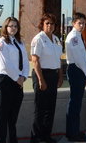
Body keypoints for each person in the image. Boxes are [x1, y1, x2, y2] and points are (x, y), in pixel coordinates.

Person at [0, 17, 30, 143]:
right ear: (5, 27)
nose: (13, 28)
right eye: (10, 26)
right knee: (2, 115)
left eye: (15, 26)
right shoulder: (1, 43)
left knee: (13, 116)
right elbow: (5, 64)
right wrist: (17, 78)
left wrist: (24, 76)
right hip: (4, 80)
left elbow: (25, 60)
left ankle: (12, 140)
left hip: (18, 80)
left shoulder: (19, 43)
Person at [30, 13, 63, 143]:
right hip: (42, 74)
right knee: (40, 109)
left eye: (52, 23)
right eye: (47, 23)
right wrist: (41, 80)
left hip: (53, 75)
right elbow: (35, 60)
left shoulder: (56, 39)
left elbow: (58, 60)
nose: (50, 26)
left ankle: (46, 136)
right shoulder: (38, 39)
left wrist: (60, 77)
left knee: (50, 108)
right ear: (42, 25)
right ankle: (36, 138)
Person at [65, 12, 86, 142]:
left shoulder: (78, 36)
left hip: (78, 69)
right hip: (76, 70)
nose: (82, 25)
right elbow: (80, 59)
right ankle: (72, 133)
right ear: (73, 23)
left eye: (83, 23)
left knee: (77, 103)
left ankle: (75, 130)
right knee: (75, 103)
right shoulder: (73, 37)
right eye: (79, 23)